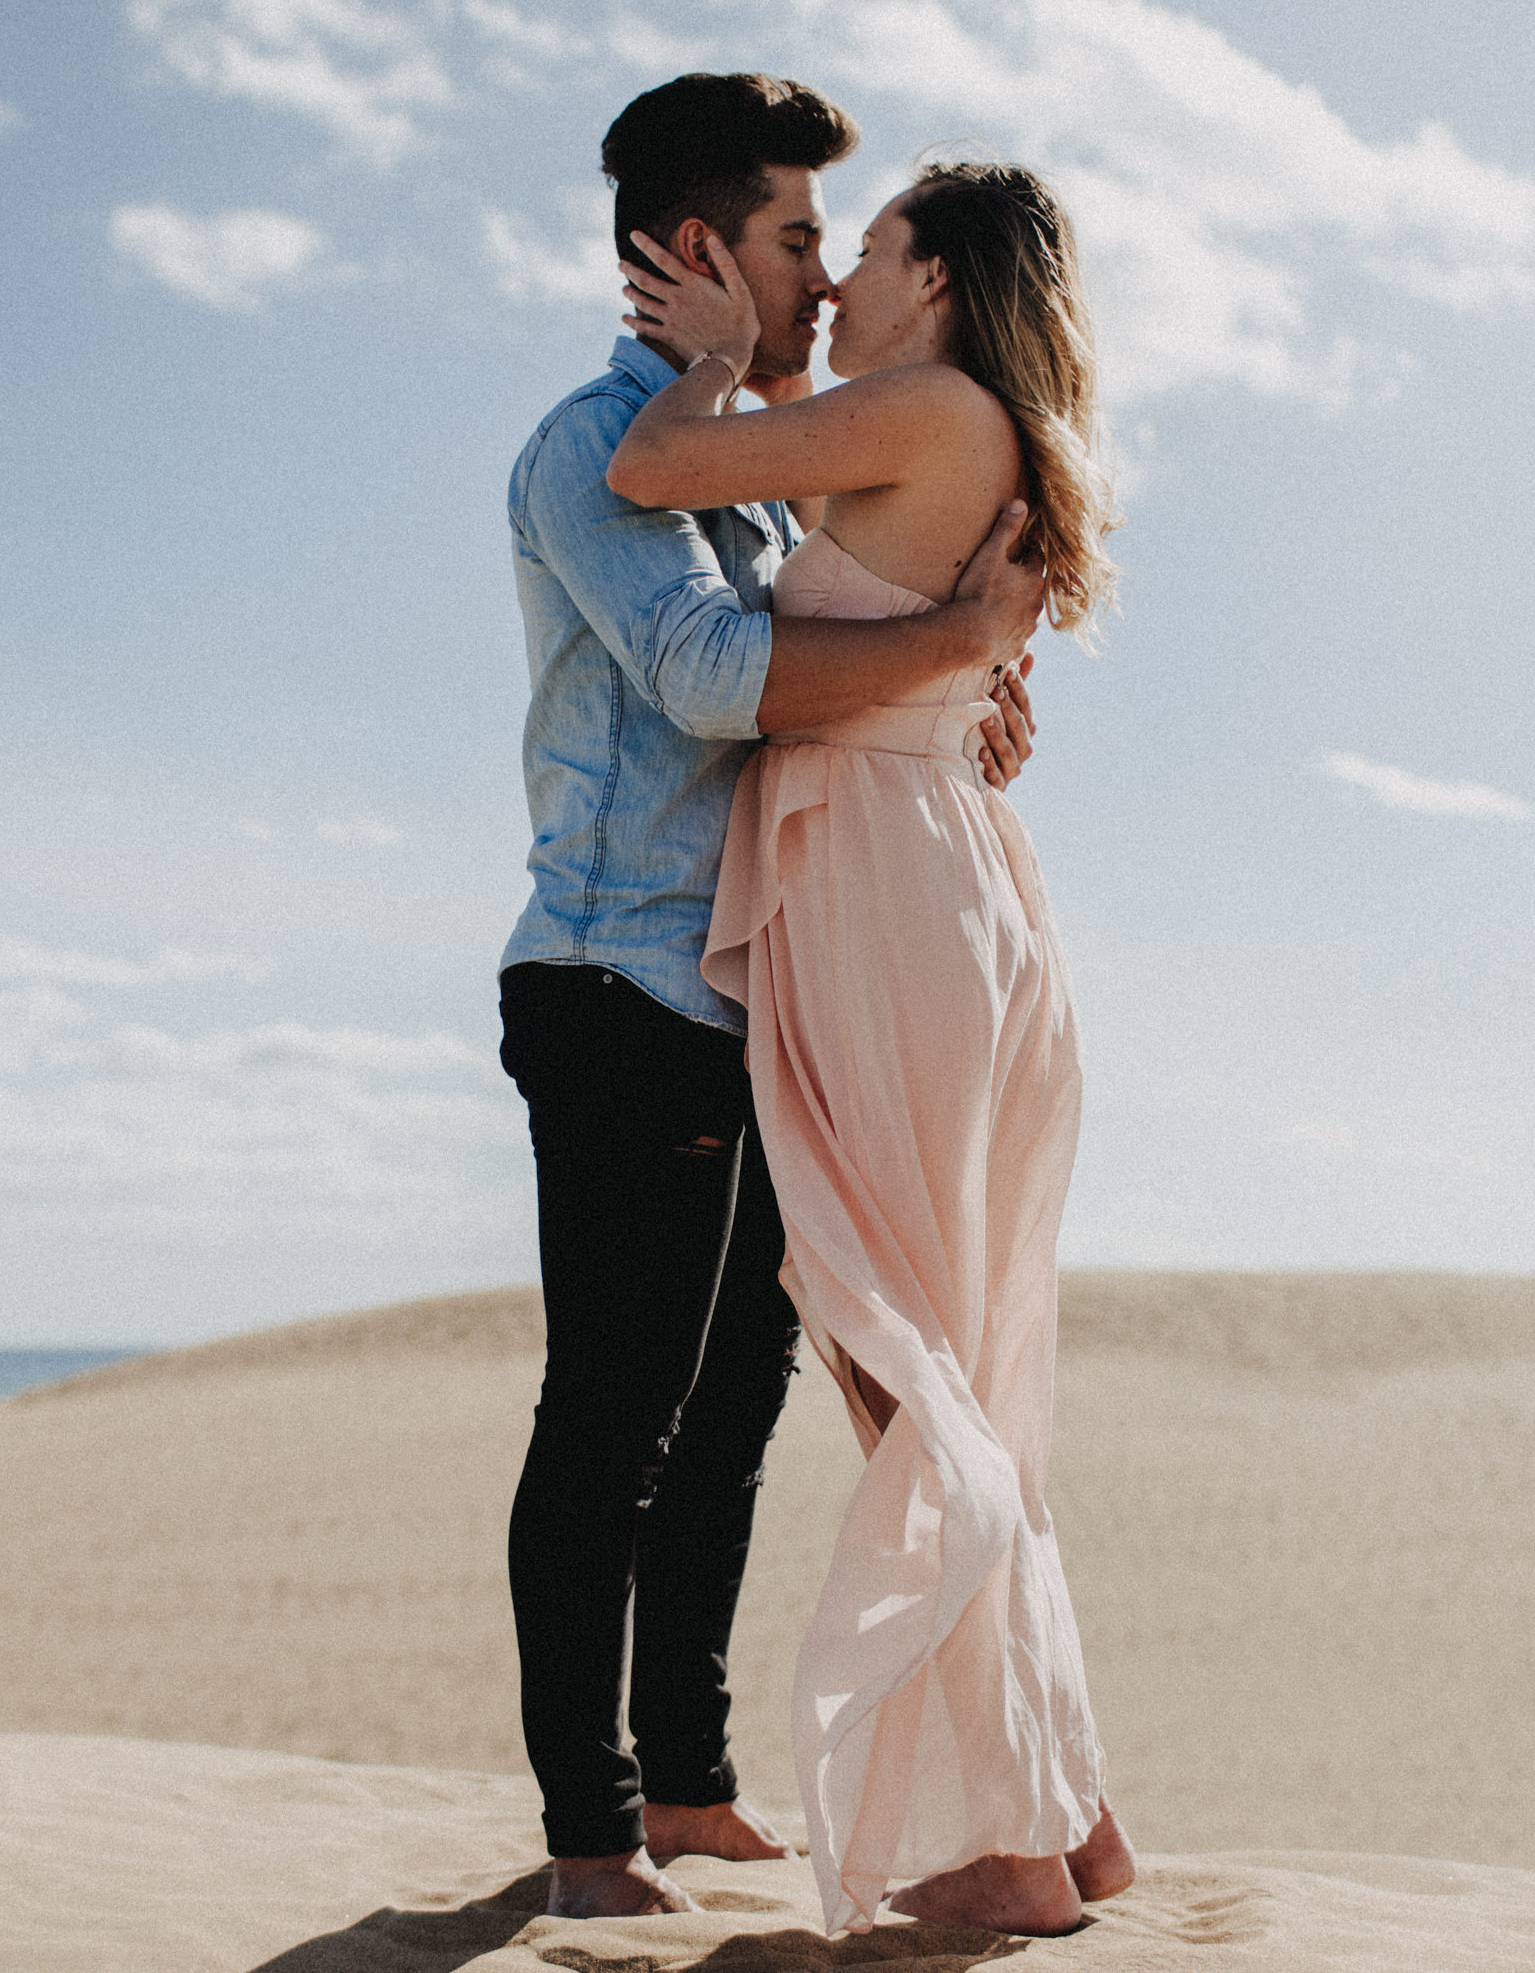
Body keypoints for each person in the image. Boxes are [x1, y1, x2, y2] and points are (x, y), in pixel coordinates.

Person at [497, 73, 1050, 1922]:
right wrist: (950, 643)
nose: (825, 277)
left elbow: (834, 612)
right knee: (614, 1413)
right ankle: (588, 1831)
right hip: (613, 975)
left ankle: (690, 1786)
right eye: (801, 239)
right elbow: (710, 671)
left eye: (834, 242)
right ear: (695, 251)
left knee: (729, 1407)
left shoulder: (765, 435)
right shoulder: (593, 444)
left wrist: (943, 687)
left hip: (744, 990)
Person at [606, 158, 1135, 1935]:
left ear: (941, 281)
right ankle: (1067, 1813)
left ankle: (1007, 1850)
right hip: (943, 890)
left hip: (893, 903)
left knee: (898, 1362)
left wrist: (712, 349)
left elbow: (655, 473)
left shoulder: (919, 407)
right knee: (935, 1366)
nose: (839, 280)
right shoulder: (965, 426)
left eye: (873, 246)